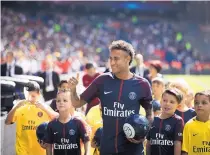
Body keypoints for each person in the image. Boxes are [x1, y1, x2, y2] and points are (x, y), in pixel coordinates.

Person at [68, 40, 153, 155]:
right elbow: (77, 103)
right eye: (110, 58)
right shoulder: (102, 80)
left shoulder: (142, 84)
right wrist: (73, 90)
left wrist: (143, 133)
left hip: (133, 150)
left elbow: (149, 112)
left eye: (116, 58)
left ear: (127, 59)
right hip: (107, 148)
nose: (112, 62)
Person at [5, 81, 58, 155]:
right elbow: (7, 122)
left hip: (40, 151)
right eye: (28, 96)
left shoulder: (44, 107)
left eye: (33, 96)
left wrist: (45, 109)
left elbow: (58, 119)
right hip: (23, 151)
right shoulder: (19, 107)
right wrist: (15, 107)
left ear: (38, 94)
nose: (30, 99)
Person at [45, 89, 90, 155]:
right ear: (56, 104)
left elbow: (86, 140)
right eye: (58, 101)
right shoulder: (51, 125)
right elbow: (49, 145)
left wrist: (87, 153)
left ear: (71, 103)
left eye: (65, 100)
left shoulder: (78, 123)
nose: (61, 102)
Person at [146, 88, 184, 155]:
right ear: (160, 102)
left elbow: (177, 143)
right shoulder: (153, 120)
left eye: (172, 102)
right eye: (164, 100)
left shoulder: (178, 121)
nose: (167, 104)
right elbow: (148, 143)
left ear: (178, 106)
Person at [182, 90, 210, 155]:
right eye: (196, 103)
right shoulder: (189, 125)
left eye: (204, 103)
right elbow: (185, 150)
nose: (199, 105)